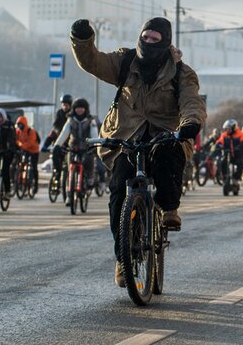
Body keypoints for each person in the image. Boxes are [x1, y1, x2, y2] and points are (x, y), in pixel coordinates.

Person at [69, 16, 205, 288]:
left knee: (167, 157)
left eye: (155, 38)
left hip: (165, 133)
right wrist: (82, 39)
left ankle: (169, 208)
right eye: (145, 36)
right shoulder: (125, 62)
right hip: (125, 135)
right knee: (119, 190)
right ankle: (123, 259)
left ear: (165, 42)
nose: (149, 41)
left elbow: (191, 101)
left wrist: (190, 123)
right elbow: (92, 61)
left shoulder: (181, 72)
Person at [52, 98, 98, 204]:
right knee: (70, 170)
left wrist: (95, 145)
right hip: (73, 148)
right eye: (77, 108)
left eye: (82, 108)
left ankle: (89, 179)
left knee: (89, 161)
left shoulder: (90, 120)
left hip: (86, 148)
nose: (79, 110)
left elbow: (94, 134)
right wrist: (57, 145)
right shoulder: (70, 120)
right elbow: (64, 133)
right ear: (74, 109)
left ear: (85, 109)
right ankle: (69, 195)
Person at [42, 93, 73, 176]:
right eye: (63, 105)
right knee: (55, 156)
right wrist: (45, 146)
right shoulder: (59, 113)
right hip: (59, 141)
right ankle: (57, 173)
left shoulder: (72, 115)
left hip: (69, 143)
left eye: (67, 105)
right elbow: (54, 128)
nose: (65, 107)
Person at [216, 119, 243, 187]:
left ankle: (235, 178)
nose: (228, 130)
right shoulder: (224, 135)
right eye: (226, 129)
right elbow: (218, 142)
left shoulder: (240, 134)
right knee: (222, 163)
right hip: (228, 155)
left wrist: (239, 146)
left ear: (234, 128)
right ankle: (225, 178)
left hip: (238, 155)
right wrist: (221, 146)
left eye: (229, 129)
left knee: (241, 165)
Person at [15, 115, 41, 191]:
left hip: (34, 150)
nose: (20, 127)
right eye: (18, 125)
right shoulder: (18, 132)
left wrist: (21, 145)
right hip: (25, 150)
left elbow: (31, 142)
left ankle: (35, 184)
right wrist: (19, 145)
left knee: (34, 167)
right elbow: (16, 140)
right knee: (22, 164)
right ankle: (20, 181)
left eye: (21, 125)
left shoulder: (31, 131)